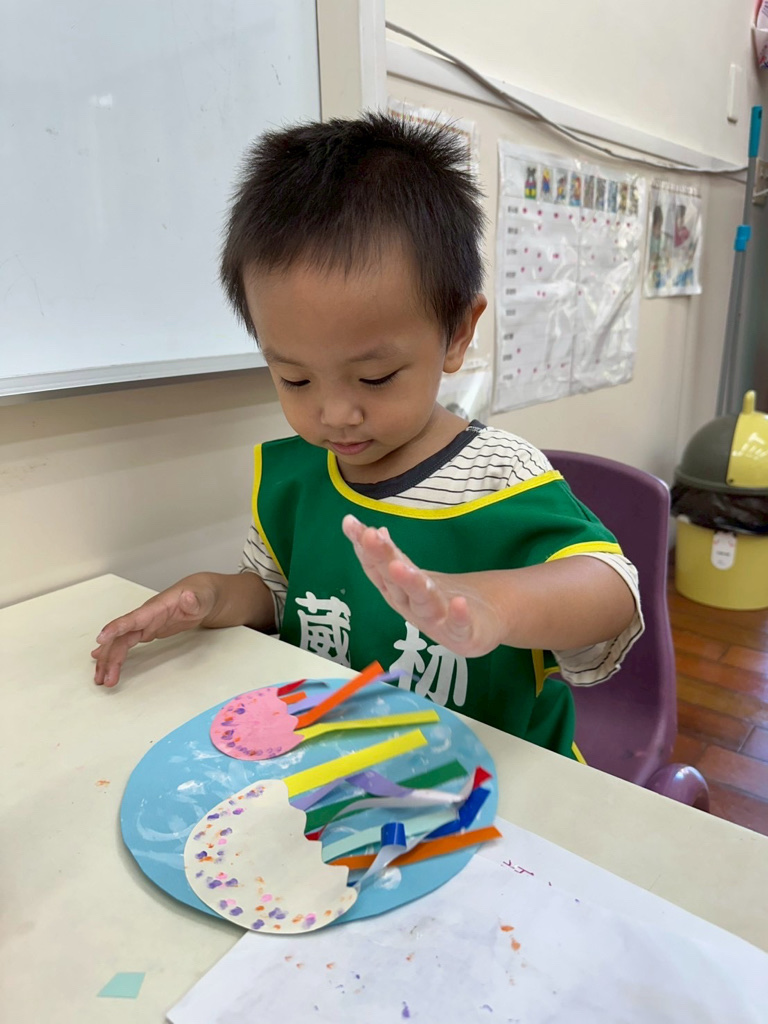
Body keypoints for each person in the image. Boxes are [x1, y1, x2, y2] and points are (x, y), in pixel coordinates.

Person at [92, 114, 642, 759]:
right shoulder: (294, 478)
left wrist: (491, 604)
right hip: (344, 763)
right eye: (295, 379)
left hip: (489, 783)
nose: (334, 414)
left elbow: (612, 589)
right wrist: (209, 597)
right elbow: (276, 595)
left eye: (375, 377)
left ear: (457, 334)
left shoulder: (501, 476)